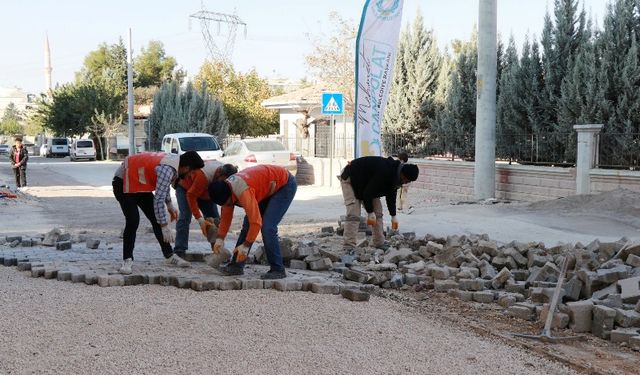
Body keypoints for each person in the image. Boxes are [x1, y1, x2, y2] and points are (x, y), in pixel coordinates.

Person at [111, 150, 205, 274]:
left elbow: (163, 186)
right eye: (191, 172)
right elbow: (158, 200)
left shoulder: (174, 163)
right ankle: (127, 260)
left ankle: (169, 255)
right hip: (123, 183)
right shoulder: (168, 168)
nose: (190, 176)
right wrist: (165, 226)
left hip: (138, 183)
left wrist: (170, 205)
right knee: (133, 220)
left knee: (156, 218)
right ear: (186, 167)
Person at [208, 164, 297, 279]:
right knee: (247, 227)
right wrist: (220, 239)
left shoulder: (243, 191)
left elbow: (256, 223)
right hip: (266, 187)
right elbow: (226, 218)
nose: (228, 206)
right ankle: (236, 267)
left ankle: (278, 269)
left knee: (267, 228)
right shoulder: (225, 190)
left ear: (230, 195)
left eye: (228, 203)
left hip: (284, 185)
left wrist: (245, 246)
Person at [339, 156, 419, 250]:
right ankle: (348, 246)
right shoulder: (386, 172)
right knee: (354, 213)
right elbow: (367, 194)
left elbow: (391, 196)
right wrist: (370, 212)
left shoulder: (396, 177)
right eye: (407, 180)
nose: (406, 182)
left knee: (378, 213)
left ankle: (379, 243)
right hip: (351, 178)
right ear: (403, 174)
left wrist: (393, 216)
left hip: (366, 184)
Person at [173, 161, 238, 255]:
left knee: (214, 219)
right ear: (219, 173)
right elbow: (191, 196)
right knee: (185, 216)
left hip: (204, 191)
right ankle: (180, 249)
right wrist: (199, 218)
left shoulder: (223, 173)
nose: (224, 183)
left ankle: (217, 249)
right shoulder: (203, 175)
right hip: (186, 188)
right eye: (224, 180)